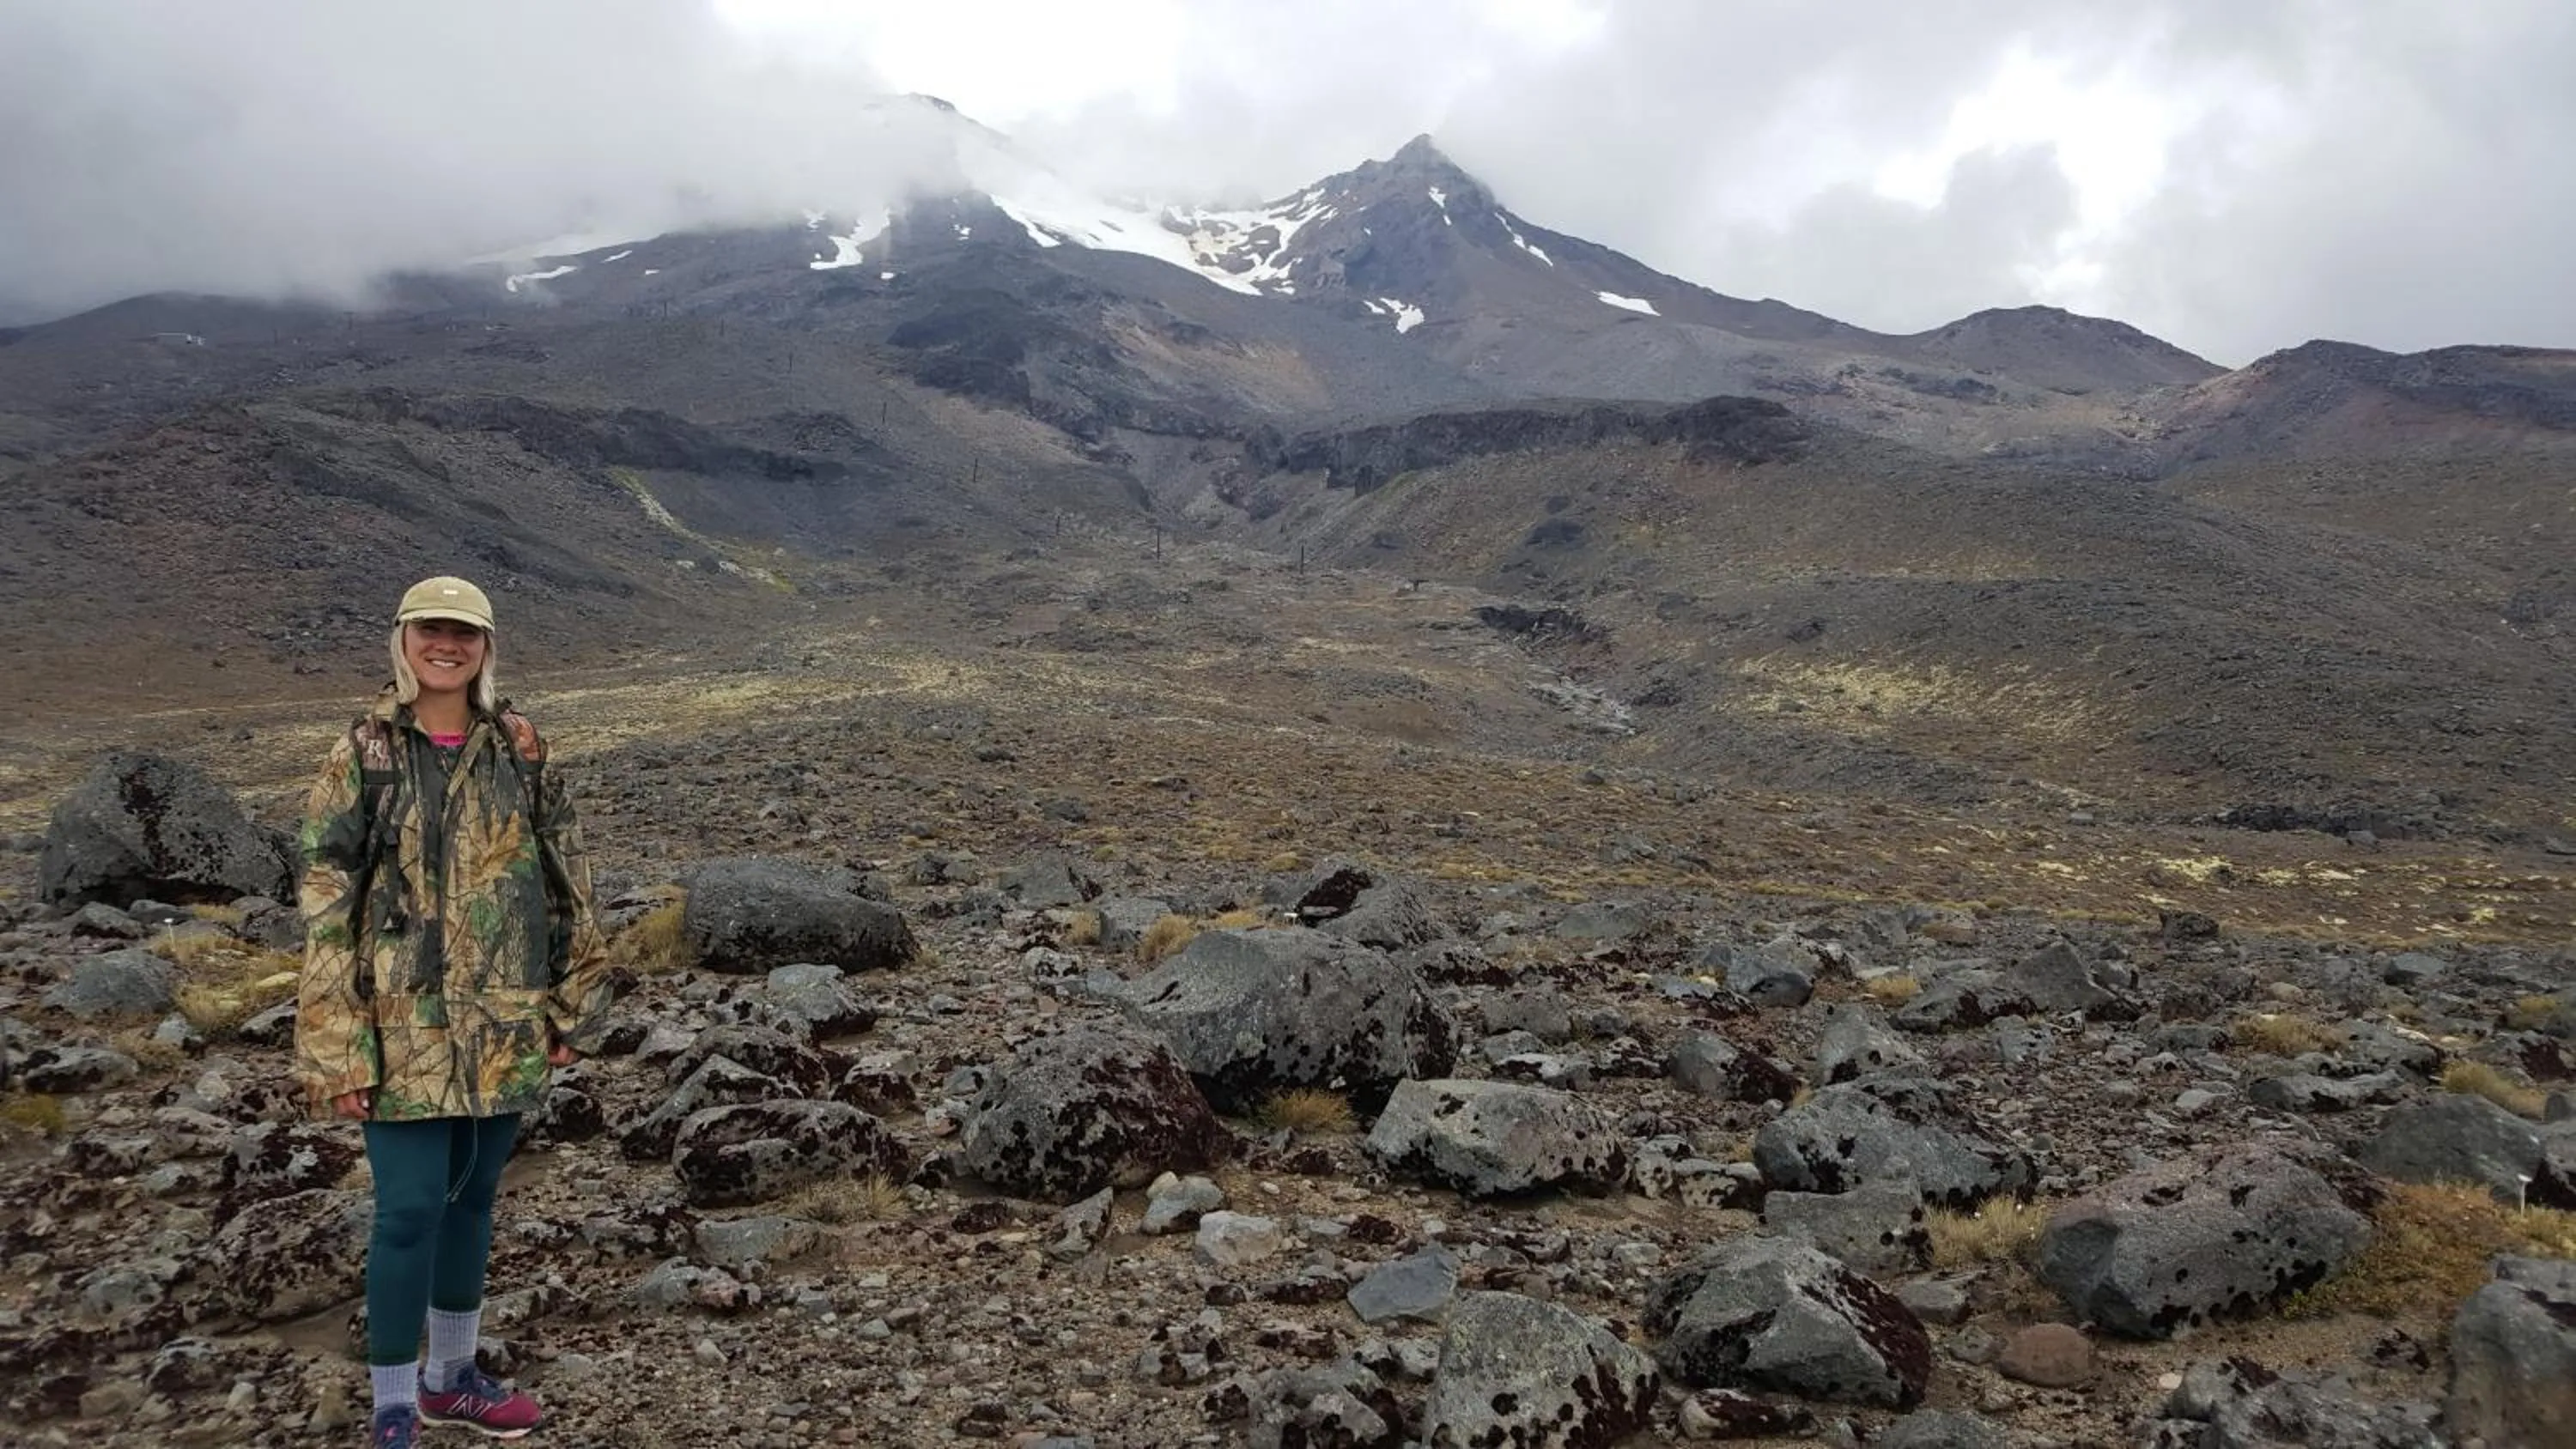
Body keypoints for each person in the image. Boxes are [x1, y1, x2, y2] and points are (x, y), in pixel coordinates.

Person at [293, 576, 614, 1447]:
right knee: (406, 1209)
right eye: (432, 628)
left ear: (486, 644)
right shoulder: (363, 751)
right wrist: (336, 1042)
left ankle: (451, 1378)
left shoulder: (520, 745)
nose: (449, 643)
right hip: (399, 1021)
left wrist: (570, 1005)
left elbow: (568, 879)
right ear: (403, 638)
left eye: (465, 630)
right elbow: (327, 900)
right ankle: (394, 1403)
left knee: (473, 1199)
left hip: (504, 1016)